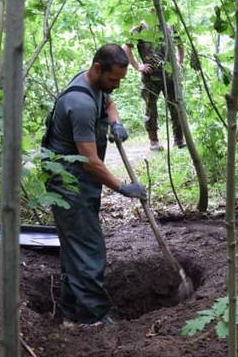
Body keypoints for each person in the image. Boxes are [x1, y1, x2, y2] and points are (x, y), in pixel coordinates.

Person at [42, 44, 147, 327]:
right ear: (98, 68)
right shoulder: (80, 105)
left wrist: (116, 123)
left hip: (81, 182)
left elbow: (108, 101)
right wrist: (122, 187)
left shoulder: (94, 85)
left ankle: (70, 314)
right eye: (114, 79)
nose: (116, 85)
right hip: (70, 185)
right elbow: (89, 161)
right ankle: (93, 318)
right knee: (89, 251)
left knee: (76, 248)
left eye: (120, 80)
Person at [122, 21, 186, 150]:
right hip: (150, 76)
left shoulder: (169, 24)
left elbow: (180, 44)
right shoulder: (139, 28)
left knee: (176, 106)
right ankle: (154, 142)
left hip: (170, 75)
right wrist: (138, 66)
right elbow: (126, 47)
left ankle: (179, 140)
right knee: (150, 109)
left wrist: (179, 62)